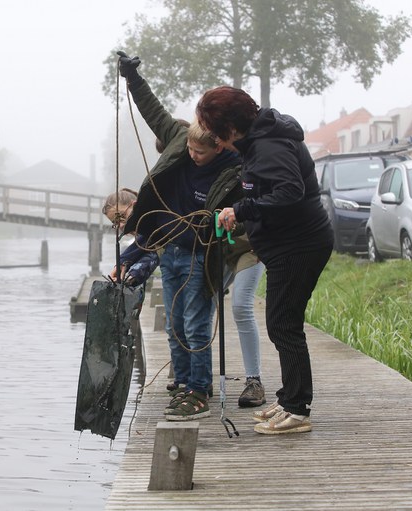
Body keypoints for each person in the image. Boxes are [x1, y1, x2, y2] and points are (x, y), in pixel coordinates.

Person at [117, 51, 264, 421]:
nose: (194, 155)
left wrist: (229, 221)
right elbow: (153, 110)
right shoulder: (179, 140)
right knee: (174, 324)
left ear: (219, 146)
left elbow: (251, 212)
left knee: (197, 325)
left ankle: (199, 391)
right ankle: (183, 383)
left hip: (203, 253)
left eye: (201, 152)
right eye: (190, 149)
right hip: (171, 251)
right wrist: (132, 78)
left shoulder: (235, 168)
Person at [196, 86, 334, 434]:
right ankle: (289, 398)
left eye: (215, 132)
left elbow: (289, 191)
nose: (217, 140)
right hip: (289, 244)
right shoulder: (260, 140)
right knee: (281, 322)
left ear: (229, 126)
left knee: (283, 324)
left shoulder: (268, 144)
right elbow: (265, 189)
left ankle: (297, 409)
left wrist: (242, 209)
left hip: (299, 244)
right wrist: (239, 208)